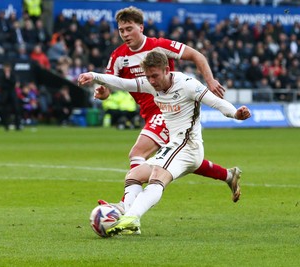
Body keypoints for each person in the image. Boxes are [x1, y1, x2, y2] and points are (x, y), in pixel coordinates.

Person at [78, 50, 251, 235]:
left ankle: (132, 217)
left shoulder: (187, 85)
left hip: (188, 145)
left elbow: (215, 101)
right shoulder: (151, 84)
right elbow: (122, 82)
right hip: (174, 145)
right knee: (134, 175)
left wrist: (235, 114)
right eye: (148, 77)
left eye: (155, 76)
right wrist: (93, 76)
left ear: (167, 70)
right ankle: (129, 216)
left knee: (157, 176)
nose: (152, 81)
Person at [85, 7, 241, 209]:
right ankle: (228, 175)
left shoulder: (159, 46)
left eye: (129, 28)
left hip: (168, 111)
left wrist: (210, 81)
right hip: (149, 114)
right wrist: (102, 94)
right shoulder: (118, 57)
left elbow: (197, 56)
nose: (125, 34)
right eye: (121, 30)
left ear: (141, 27)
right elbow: (107, 87)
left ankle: (126, 206)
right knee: (188, 160)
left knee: (137, 153)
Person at [0, 62, 21, 131]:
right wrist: (8, 81)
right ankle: (6, 126)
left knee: (16, 110)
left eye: (8, 68)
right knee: (5, 111)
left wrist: (8, 79)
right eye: (6, 68)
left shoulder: (13, 75)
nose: (7, 69)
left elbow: (14, 84)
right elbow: (2, 85)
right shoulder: (1, 76)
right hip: (5, 95)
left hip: (12, 95)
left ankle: (18, 126)